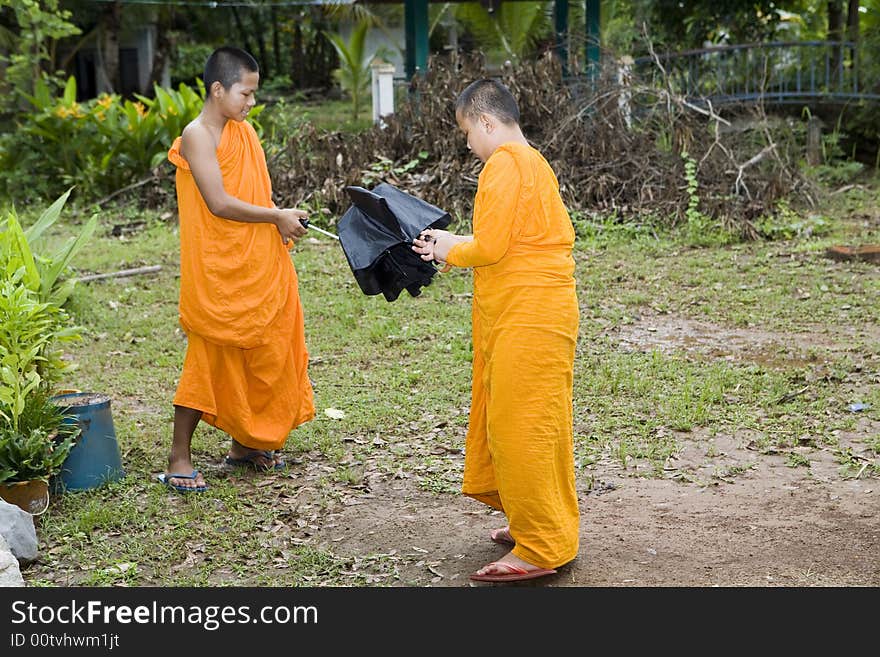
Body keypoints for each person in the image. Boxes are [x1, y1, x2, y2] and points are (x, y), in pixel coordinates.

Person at [412, 78, 580, 582]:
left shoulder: (504, 164)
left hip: (531, 315)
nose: (468, 144)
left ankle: (542, 545)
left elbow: (489, 247)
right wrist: (447, 243)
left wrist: (446, 247)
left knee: (521, 427)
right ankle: (538, 521)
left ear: (486, 122)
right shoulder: (534, 161)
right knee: (534, 423)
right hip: (534, 311)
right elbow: (507, 241)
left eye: (468, 132)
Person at [159, 46, 315, 492]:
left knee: (265, 348)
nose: (251, 103)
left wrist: (280, 219)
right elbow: (219, 202)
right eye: (246, 94)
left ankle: (245, 444)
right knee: (209, 357)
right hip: (218, 270)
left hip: (256, 259)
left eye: (253, 95)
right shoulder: (198, 135)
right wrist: (275, 216)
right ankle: (178, 457)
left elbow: (256, 195)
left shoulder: (242, 133)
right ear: (218, 89)